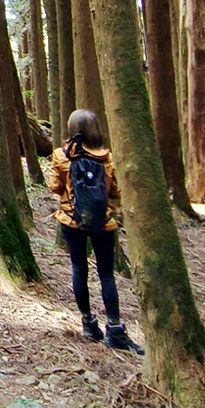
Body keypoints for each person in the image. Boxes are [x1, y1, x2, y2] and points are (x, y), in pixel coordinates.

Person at [47, 109, 143, 355]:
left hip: (71, 221)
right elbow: (116, 192)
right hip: (103, 223)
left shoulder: (61, 155)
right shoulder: (107, 157)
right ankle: (114, 328)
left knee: (79, 268)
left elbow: (54, 187)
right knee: (106, 274)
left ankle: (89, 323)